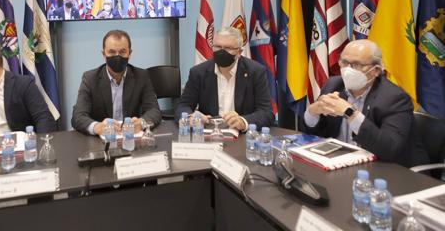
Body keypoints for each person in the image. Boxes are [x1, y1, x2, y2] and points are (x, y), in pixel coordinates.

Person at [303, 39, 428, 167]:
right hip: (339, 162)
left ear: (376, 70)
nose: (348, 69)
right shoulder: (333, 84)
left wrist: (350, 113)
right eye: (344, 62)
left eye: (357, 64)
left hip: (384, 168)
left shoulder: (395, 98)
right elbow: (317, 134)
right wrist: (313, 112)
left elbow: (390, 148)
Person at [176, 27, 274, 131]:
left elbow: (266, 112)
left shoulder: (255, 72)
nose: (222, 52)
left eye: (228, 48)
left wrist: (243, 121)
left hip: (241, 136)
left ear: (239, 52)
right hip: (208, 133)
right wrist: (190, 118)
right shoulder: (198, 72)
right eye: (218, 47)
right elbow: (183, 106)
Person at [72, 30, 161, 135]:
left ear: (130, 53)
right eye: (112, 52)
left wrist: (141, 123)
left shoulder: (141, 76)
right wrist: (97, 127)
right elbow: (78, 116)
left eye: (122, 52)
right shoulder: (90, 79)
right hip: (101, 142)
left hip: (131, 138)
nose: (117, 56)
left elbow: (154, 110)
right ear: (104, 54)